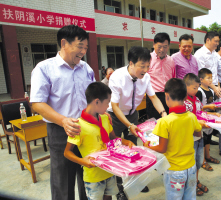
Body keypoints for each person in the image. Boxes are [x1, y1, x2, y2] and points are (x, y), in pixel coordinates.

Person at [30, 25, 94, 200]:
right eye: (80, 46)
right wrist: (64, 121)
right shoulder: (44, 68)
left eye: (86, 48)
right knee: (62, 179)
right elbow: (37, 103)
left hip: (86, 129)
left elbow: (93, 98)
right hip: (60, 130)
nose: (83, 51)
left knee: (88, 175)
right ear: (64, 43)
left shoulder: (86, 69)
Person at [107, 46, 167, 200]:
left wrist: (164, 114)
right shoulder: (117, 77)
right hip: (114, 116)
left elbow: (153, 97)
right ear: (131, 63)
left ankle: (133, 183)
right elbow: (114, 105)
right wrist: (128, 125)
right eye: (142, 66)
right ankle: (118, 187)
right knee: (115, 150)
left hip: (133, 115)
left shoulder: (145, 78)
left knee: (133, 151)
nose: (145, 70)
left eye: (148, 66)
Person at [64, 82, 134, 200]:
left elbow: (113, 138)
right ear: (97, 102)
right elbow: (67, 152)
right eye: (107, 103)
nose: (108, 106)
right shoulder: (78, 125)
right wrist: (82, 161)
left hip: (110, 170)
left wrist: (125, 142)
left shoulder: (105, 118)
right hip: (94, 176)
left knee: (108, 197)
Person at [143, 78, 202, 200]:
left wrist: (147, 145)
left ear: (166, 96)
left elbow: (162, 148)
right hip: (191, 168)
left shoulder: (165, 122)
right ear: (185, 97)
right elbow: (198, 133)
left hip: (174, 171)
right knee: (190, 197)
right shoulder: (191, 116)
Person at [183, 73, 210, 197]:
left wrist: (213, 115)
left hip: (200, 136)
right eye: (194, 88)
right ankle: (190, 186)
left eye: (197, 87)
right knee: (191, 164)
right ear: (185, 86)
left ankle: (196, 181)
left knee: (198, 162)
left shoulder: (196, 99)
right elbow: (185, 120)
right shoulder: (183, 102)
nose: (196, 90)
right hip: (190, 138)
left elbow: (202, 111)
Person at [196, 68, 221, 171]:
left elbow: (213, 103)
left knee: (208, 138)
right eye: (208, 78)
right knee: (202, 139)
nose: (210, 80)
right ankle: (202, 161)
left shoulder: (211, 90)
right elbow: (199, 108)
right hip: (203, 118)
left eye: (211, 78)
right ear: (201, 79)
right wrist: (209, 108)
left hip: (211, 117)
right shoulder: (199, 91)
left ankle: (207, 156)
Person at [147, 32, 176, 119]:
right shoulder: (148, 59)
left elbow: (173, 78)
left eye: (165, 46)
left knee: (169, 122)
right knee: (154, 125)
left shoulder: (171, 60)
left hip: (169, 96)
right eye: (159, 46)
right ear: (154, 45)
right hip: (153, 96)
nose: (162, 50)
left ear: (168, 46)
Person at [195, 31, 221, 97]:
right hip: (205, 88)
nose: (217, 43)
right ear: (208, 40)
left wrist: (218, 86)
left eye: (218, 41)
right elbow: (202, 75)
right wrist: (214, 88)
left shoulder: (215, 54)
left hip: (216, 88)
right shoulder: (200, 54)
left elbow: (215, 72)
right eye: (215, 41)